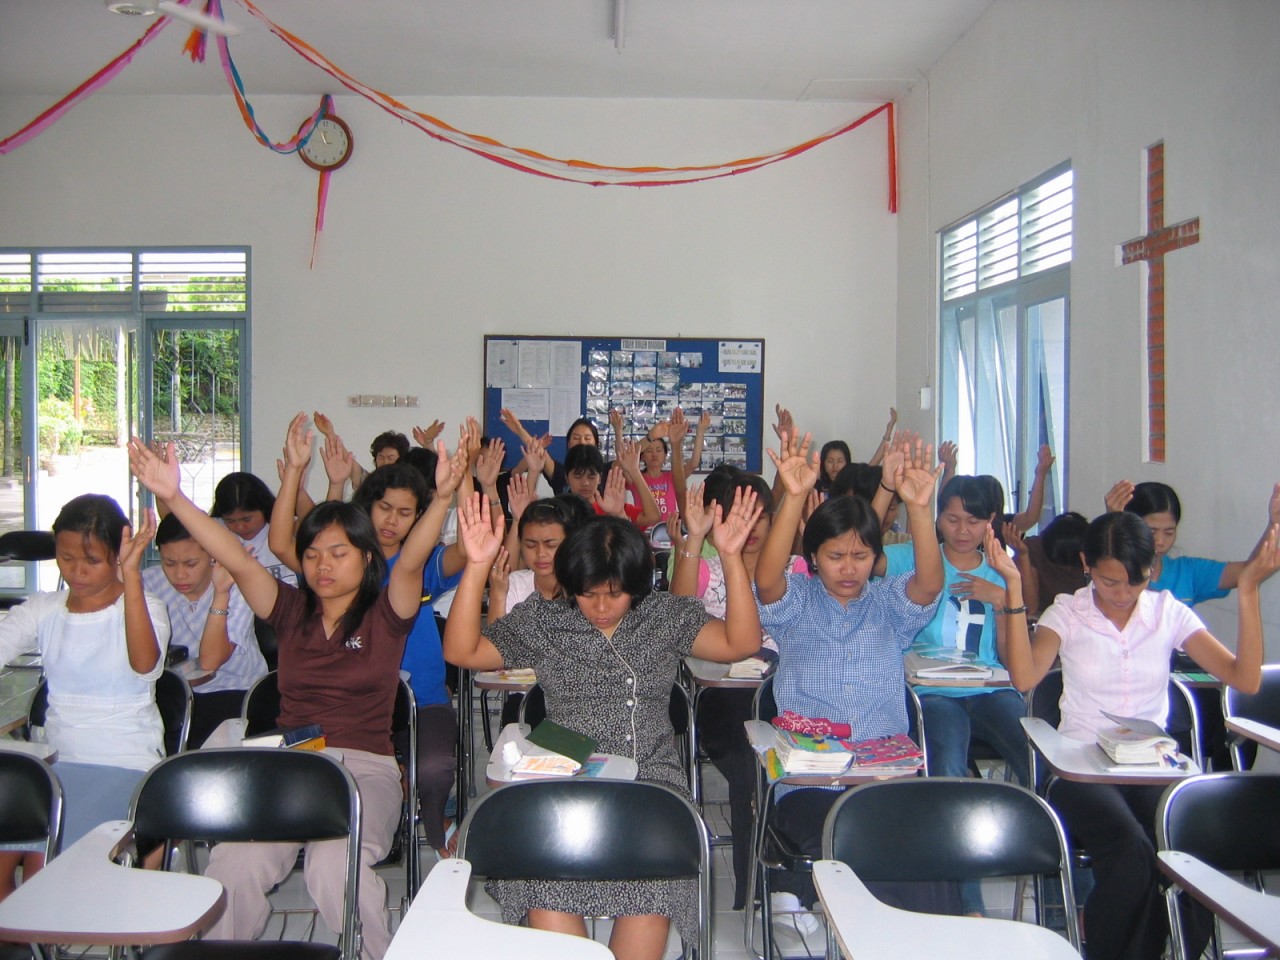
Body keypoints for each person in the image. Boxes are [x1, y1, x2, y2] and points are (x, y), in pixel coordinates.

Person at [128, 420, 460, 960]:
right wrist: (173, 497)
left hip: (365, 770)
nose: (322, 565)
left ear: (367, 558)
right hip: (292, 764)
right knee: (233, 865)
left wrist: (442, 496)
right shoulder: (290, 609)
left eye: (338, 553)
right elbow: (235, 556)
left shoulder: (387, 613)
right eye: (312, 555)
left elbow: (415, 559)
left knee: (334, 865)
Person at [443, 492, 763, 960]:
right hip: (563, 778)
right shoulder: (545, 620)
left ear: (636, 584)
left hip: (650, 781)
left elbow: (741, 642)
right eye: (587, 593)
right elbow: (462, 651)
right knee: (543, 881)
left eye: (614, 593)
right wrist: (476, 566)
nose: (600, 607)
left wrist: (731, 557)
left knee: (653, 885)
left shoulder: (663, 616)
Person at [1000, 511, 1279, 960]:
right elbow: (1024, 676)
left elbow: (1244, 679)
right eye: (1110, 582)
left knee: (1188, 854)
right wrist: (1014, 590)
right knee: (1131, 850)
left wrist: (1248, 591)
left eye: (1137, 581)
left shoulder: (1167, 612)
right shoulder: (1067, 612)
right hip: (1080, 769)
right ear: (1086, 564)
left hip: (1152, 768)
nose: (1123, 594)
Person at [754, 429, 947, 916]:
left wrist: (920, 510)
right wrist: (793, 497)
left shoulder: (888, 605)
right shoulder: (797, 604)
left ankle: (926, 932)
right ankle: (842, 917)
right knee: (851, 839)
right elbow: (767, 580)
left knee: (924, 847)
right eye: (835, 556)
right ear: (812, 558)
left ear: (875, 558)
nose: (848, 568)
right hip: (812, 782)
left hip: (883, 775)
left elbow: (928, 585)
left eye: (860, 556)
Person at [0, 494, 168, 899]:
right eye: (66, 558)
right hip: (55, 761)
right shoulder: (44, 608)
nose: (76, 572)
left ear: (118, 554)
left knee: (42, 872)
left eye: (91, 560)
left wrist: (132, 576)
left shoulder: (146, 606)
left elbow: (145, 665)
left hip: (124, 762)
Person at [669, 469, 794, 911]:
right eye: (739, 515)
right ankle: (756, 886)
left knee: (794, 755)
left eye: (760, 515)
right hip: (722, 698)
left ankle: (796, 875)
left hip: (785, 694)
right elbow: (676, 617)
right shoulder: (705, 569)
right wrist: (693, 538)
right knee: (750, 763)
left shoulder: (793, 572)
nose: (751, 526)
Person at [1108, 479, 1280, 767]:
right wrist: (1114, 522)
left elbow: (1250, 573)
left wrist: (1274, 525)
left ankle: (1226, 786)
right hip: (1144, 685)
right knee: (1181, 717)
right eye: (1151, 531)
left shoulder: (1187, 571)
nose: (1160, 541)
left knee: (1238, 717)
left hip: (1188, 679)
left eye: (1169, 532)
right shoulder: (1116, 576)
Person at [143, 513, 267, 747]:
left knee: (205, 753)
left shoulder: (237, 584)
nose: (179, 574)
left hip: (233, 688)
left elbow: (211, 661)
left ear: (212, 555)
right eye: (169, 563)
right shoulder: (149, 582)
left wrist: (221, 594)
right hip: (174, 690)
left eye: (190, 564)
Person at [209, 471, 296, 585]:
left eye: (247, 519)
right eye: (230, 521)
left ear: (263, 508)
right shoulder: (215, 531)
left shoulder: (286, 527)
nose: (240, 527)